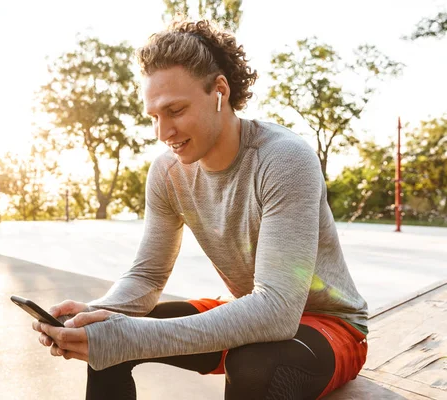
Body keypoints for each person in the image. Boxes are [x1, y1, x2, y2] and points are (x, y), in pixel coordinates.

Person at [31, 18, 368, 400]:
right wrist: (93, 316)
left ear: (219, 91)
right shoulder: (167, 173)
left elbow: (277, 308)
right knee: (109, 339)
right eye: (154, 116)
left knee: (253, 365)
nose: (163, 132)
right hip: (252, 313)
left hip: (329, 328)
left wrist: (130, 336)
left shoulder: (284, 159)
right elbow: (146, 276)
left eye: (175, 110)